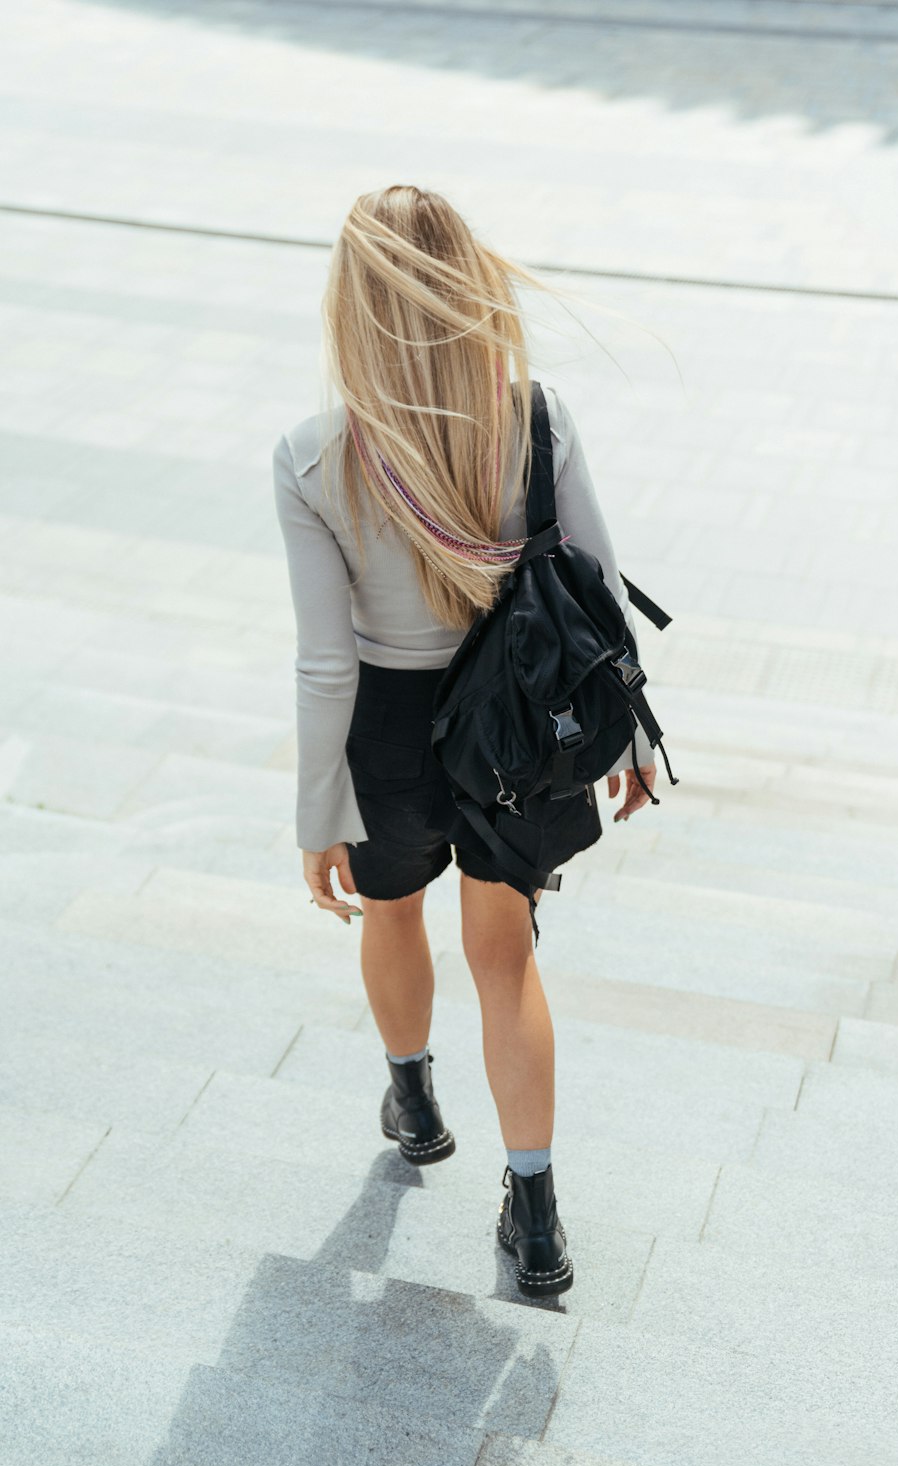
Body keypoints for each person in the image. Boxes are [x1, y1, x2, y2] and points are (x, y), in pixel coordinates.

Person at [272, 185, 657, 1300]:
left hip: (387, 727)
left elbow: (322, 662)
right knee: (506, 952)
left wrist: (316, 815)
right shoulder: (535, 416)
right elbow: (598, 583)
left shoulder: (312, 453)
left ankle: (416, 1102)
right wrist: (632, 733)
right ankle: (534, 1216)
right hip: (520, 719)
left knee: (392, 908)